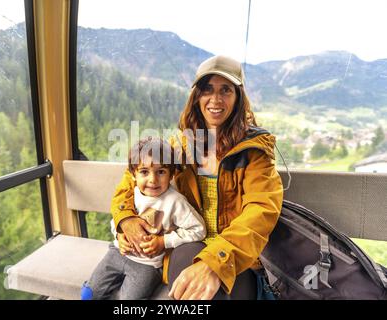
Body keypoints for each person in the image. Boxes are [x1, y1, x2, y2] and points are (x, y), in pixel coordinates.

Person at [111, 55, 284, 300]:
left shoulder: (254, 154)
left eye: (226, 90)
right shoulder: (179, 147)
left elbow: (261, 211)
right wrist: (125, 218)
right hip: (189, 244)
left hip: (236, 257)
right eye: (207, 90)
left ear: (238, 99)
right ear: (197, 97)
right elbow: (130, 182)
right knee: (185, 262)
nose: (216, 99)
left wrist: (216, 261)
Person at [85, 137, 206, 300]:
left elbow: (199, 229)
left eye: (161, 171)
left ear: (171, 174)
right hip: (118, 253)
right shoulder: (131, 195)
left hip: (148, 265)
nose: (152, 180)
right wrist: (119, 235)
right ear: (133, 174)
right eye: (144, 172)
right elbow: (115, 220)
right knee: (88, 293)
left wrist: (164, 242)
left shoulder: (175, 202)